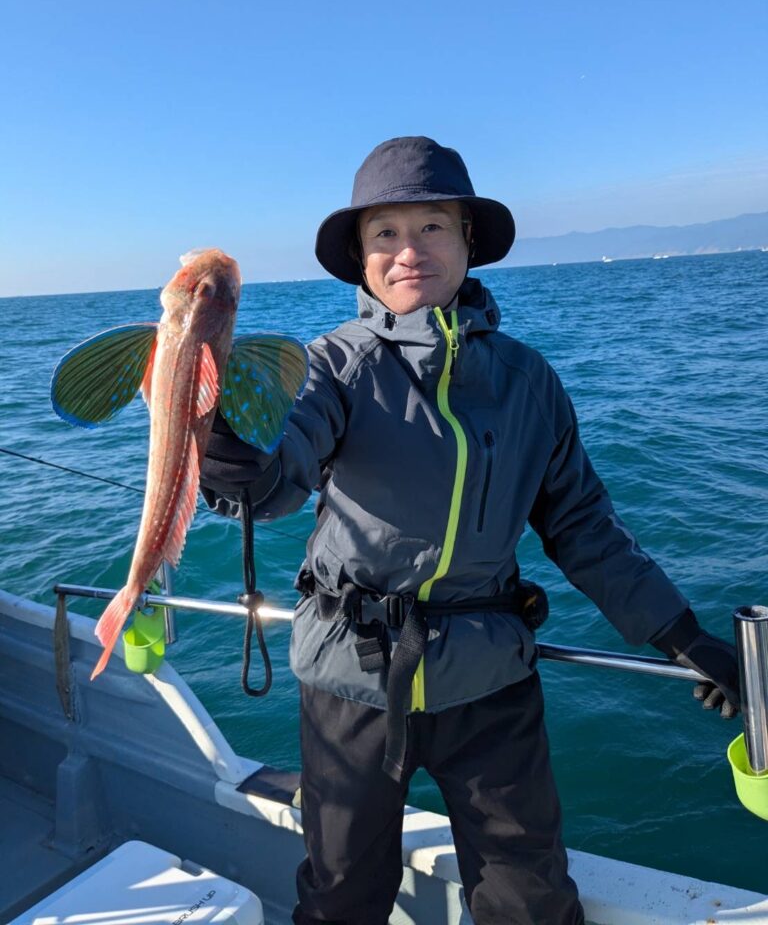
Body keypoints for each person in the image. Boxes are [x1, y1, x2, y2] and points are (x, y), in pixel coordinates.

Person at [200, 136, 740, 925]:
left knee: (531, 901)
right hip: (351, 680)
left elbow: (585, 527)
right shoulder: (329, 366)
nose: (408, 250)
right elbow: (276, 480)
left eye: (432, 227)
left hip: (491, 684)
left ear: (468, 241)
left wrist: (684, 636)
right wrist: (223, 443)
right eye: (385, 233)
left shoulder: (529, 381)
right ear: (360, 258)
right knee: (341, 895)